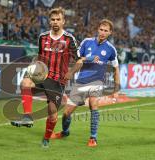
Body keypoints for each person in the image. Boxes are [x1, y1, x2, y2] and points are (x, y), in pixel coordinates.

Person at [11, 7, 79, 148]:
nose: (55, 22)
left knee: (52, 114)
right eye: (53, 19)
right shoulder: (42, 37)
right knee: (25, 82)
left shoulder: (68, 39)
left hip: (58, 81)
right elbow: (41, 57)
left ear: (63, 21)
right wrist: (36, 67)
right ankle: (27, 117)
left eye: (58, 19)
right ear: (49, 21)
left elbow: (79, 60)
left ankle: (46, 139)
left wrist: (70, 73)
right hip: (43, 76)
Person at [51, 19, 120, 147]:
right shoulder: (86, 42)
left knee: (93, 105)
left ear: (110, 33)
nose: (102, 32)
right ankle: (65, 132)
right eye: (101, 29)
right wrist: (86, 60)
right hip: (81, 82)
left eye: (106, 31)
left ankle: (93, 138)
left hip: (97, 81)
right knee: (66, 113)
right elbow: (77, 60)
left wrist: (116, 90)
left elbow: (116, 69)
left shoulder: (111, 49)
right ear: (98, 29)